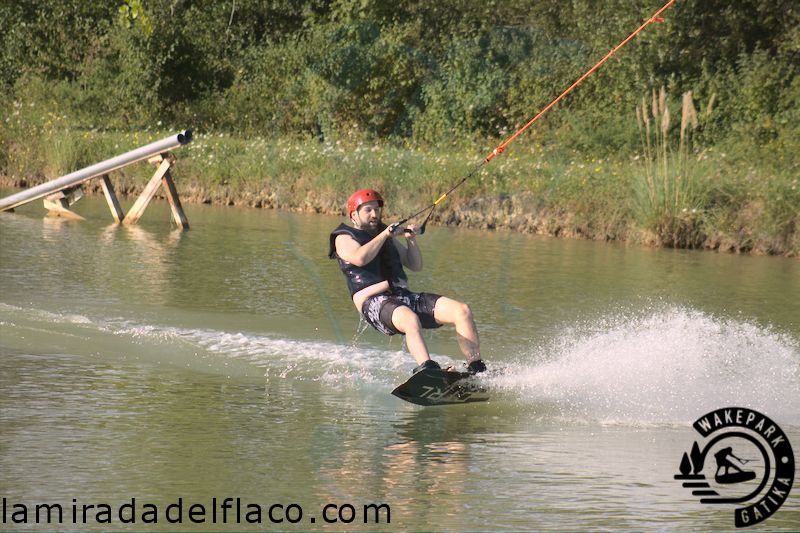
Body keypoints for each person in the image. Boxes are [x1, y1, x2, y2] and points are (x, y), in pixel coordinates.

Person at [329, 188, 486, 375]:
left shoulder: (385, 236)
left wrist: (411, 240)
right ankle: (427, 369)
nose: (374, 214)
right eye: (368, 210)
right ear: (354, 215)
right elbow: (360, 258)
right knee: (410, 319)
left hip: (402, 296)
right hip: (373, 301)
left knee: (462, 311)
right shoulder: (343, 237)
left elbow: (415, 264)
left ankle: (476, 368)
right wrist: (385, 234)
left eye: (377, 210)